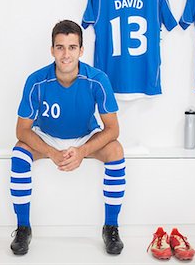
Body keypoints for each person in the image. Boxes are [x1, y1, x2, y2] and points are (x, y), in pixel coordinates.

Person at [9, 20, 126, 256]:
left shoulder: (97, 79)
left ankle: (111, 227)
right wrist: (52, 152)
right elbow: (22, 131)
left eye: (72, 47)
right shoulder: (36, 80)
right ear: (52, 50)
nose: (65, 54)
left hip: (85, 137)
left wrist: (82, 151)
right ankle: (23, 228)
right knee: (19, 150)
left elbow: (112, 129)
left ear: (81, 51)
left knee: (116, 149)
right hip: (48, 137)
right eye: (60, 47)